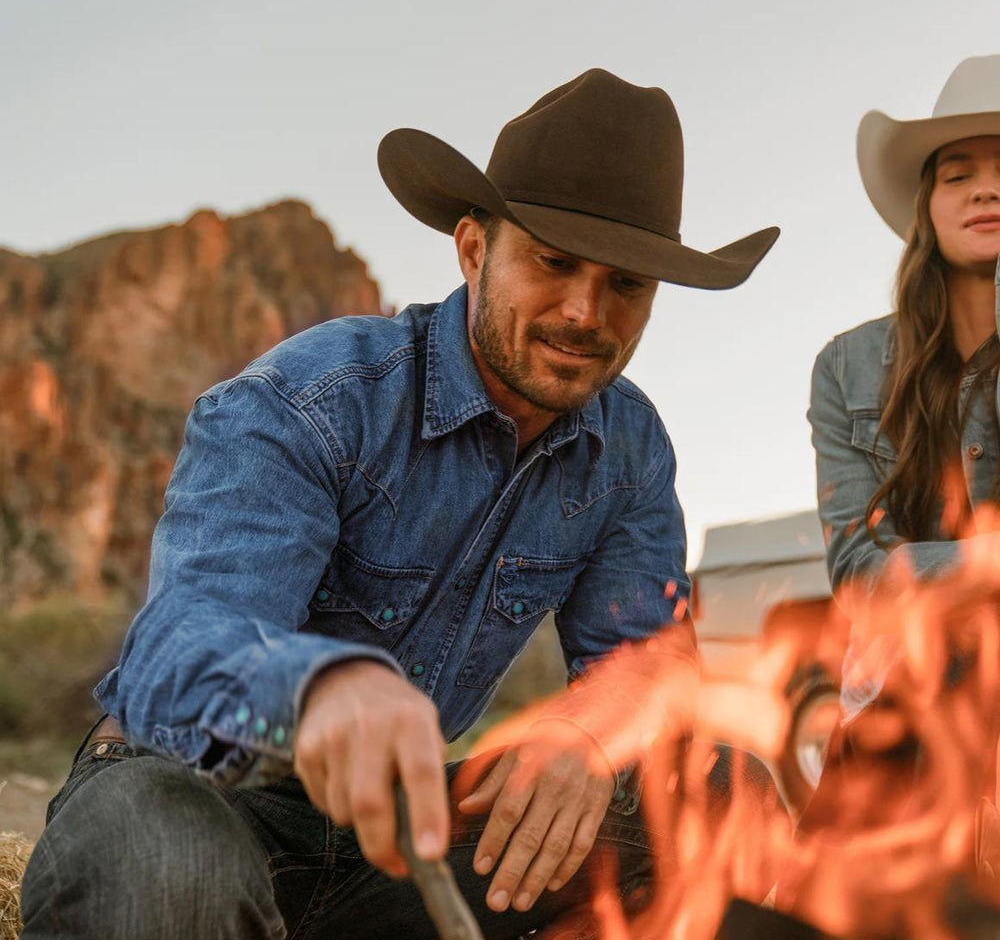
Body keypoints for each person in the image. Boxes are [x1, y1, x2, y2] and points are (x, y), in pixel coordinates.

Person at [20, 68, 779, 939]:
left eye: (627, 285)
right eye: (554, 262)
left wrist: (593, 733)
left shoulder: (630, 447)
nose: (584, 311)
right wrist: (319, 692)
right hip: (206, 792)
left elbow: (653, 661)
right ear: (473, 250)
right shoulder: (310, 401)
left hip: (401, 842)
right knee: (165, 855)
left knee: (725, 790)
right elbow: (175, 655)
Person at [808, 54, 1000, 718]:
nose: (986, 191)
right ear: (927, 206)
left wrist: (928, 567)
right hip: (901, 699)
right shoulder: (845, 367)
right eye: (960, 175)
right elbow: (859, 571)